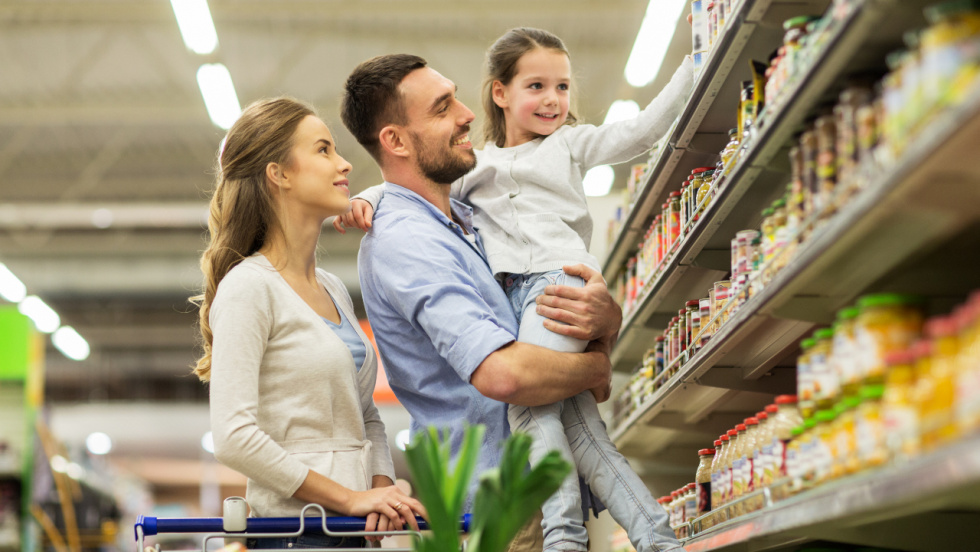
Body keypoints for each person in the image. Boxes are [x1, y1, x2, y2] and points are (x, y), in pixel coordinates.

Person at [338, 28, 692, 552]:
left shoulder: (464, 213)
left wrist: (605, 321)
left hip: (552, 295)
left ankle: (651, 539)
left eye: (562, 87)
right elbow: (506, 377)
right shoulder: (408, 234)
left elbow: (637, 133)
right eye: (442, 107)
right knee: (558, 424)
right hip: (501, 498)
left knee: (587, 439)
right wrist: (596, 365)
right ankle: (585, 538)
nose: (463, 114)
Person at [190, 97, 425, 549]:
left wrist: (379, 493)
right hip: (295, 534)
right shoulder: (249, 288)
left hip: (353, 534)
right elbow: (233, 438)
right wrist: (349, 498)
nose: (343, 164)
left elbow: (367, 416)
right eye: (323, 150)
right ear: (279, 174)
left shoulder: (333, 287)